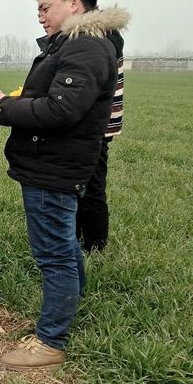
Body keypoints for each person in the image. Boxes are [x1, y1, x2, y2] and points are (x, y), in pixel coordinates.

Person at [0, 0, 129, 370]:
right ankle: (68, 307)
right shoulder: (81, 44)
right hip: (57, 162)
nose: (40, 16)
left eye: (47, 7)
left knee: (54, 253)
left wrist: (3, 107)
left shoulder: (84, 46)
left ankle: (50, 341)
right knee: (63, 244)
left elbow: (62, 110)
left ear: (74, 2)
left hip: (53, 167)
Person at [76, 33, 124, 252]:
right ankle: (81, 239)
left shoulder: (99, 40)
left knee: (92, 188)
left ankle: (95, 245)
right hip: (101, 125)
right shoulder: (107, 37)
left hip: (96, 127)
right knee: (83, 186)